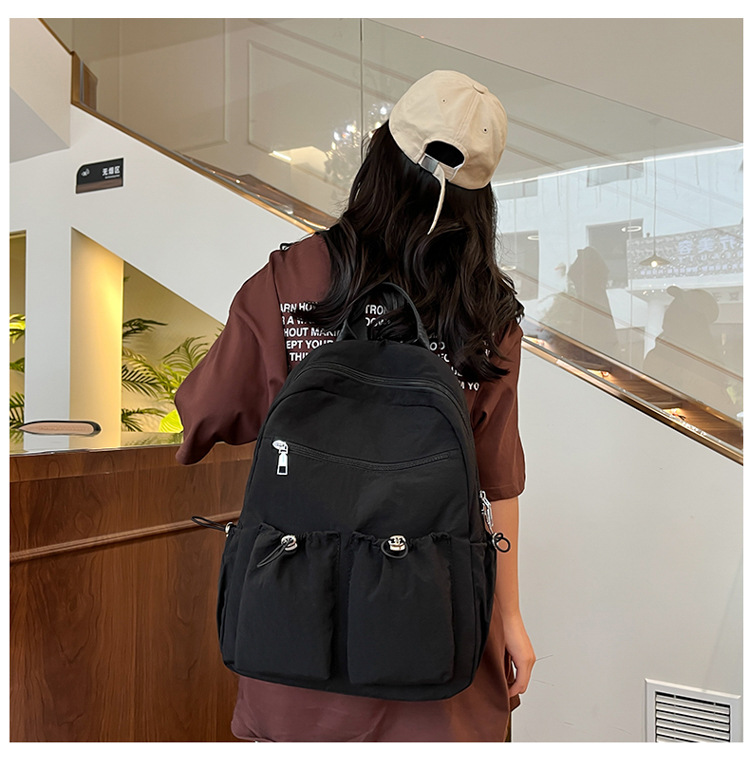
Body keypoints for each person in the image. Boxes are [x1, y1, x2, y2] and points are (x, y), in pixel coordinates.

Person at [174, 69, 536, 742]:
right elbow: (497, 482)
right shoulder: (488, 308)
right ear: (480, 197)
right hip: (435, 630)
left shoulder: (287, 279)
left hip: (298, 630)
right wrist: (509, 616)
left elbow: (203, 417)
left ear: (379, 153)